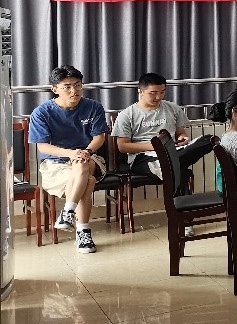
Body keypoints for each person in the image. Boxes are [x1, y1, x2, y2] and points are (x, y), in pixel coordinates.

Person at [28, 66, 107, 253]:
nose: (74, 91)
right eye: (67, 87)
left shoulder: (94, 107)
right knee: (88, 181)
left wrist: (85, 151)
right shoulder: (41, 112)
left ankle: (68, 212)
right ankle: (83, 232)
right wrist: (71, 153)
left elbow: (99, 138)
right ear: (55, 89)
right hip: (55, 163)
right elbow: (43, 147)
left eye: (78, 85)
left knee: (82, 163)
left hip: (89, 156)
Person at [113, 72, 214, 188]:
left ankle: (165, 166)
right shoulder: (127, 115)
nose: (158, 97)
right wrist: (154, 146)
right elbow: (123, 146)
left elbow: (180, 133)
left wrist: (183, 138)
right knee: (181, 170)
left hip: (173, 150)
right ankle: (168, 165)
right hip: (143, 157)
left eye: (162, 92)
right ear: (140, 91)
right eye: (153, 93)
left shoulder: (173, 108)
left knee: (209, 140)